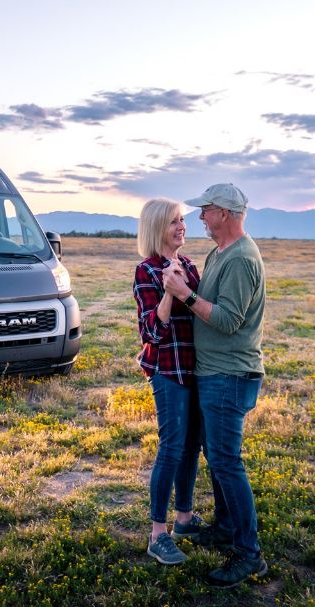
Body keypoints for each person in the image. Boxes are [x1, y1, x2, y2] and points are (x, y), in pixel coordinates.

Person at [162, 183, 268, 587]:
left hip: (229, 374)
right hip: (212, 373)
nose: (200, 218)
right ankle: (226, 527)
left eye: (205, 210)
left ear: (223, 213)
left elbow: (226, 320)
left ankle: (249, 555)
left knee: (227, 462)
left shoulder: (241, 258)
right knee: (218, 456)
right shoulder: (219, 252)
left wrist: (184, 294)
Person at [132, 198, 207, 565]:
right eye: (174, 222)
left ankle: (185, 519)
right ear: (157, 228)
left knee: (192, 446)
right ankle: (157, 534)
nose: (182, 226)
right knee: (172, 446)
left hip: (196, 368)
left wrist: (185, 286)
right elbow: (151, 331)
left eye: (183, 220)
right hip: (167, 369)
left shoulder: (191, 266)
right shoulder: (145, 270)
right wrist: (168, 291)